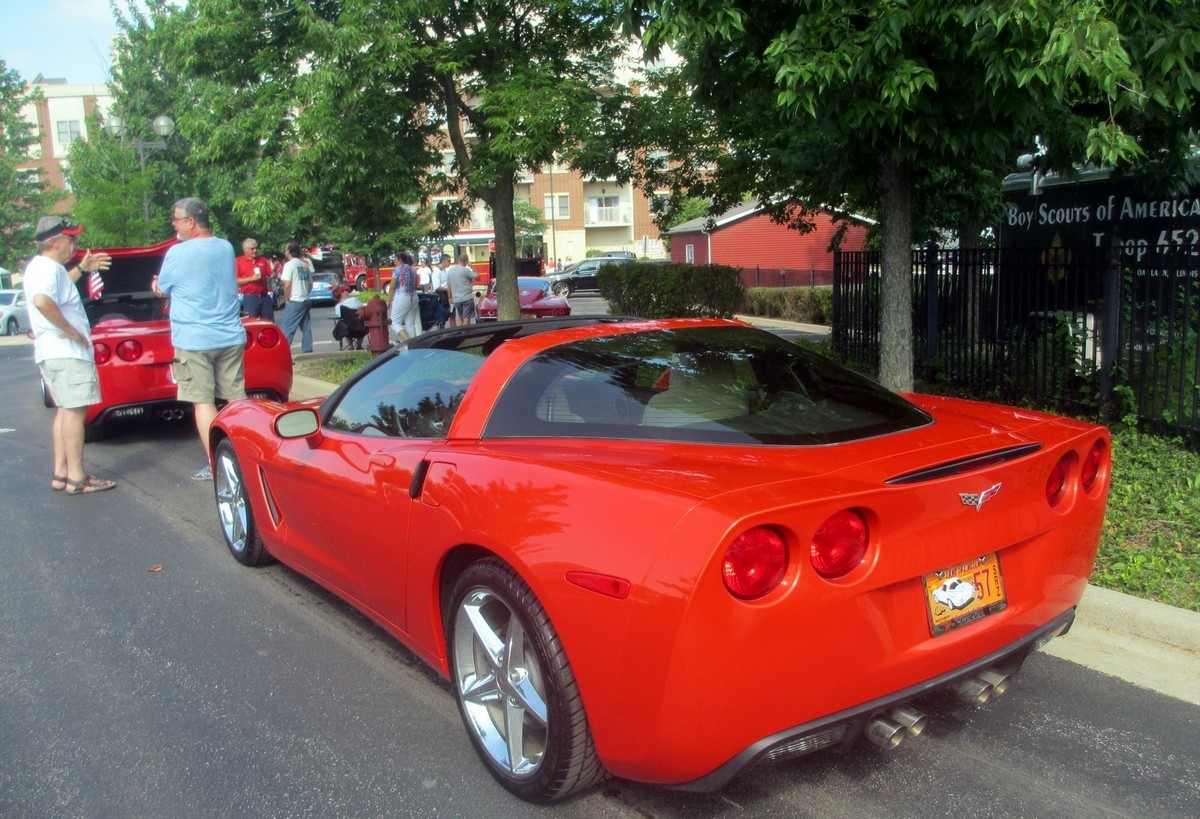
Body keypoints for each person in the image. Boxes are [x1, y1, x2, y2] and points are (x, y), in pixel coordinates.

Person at [152, 197, 246, 481]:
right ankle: (244, 458)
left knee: (203, 402)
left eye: (177, 220)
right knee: (236, 400)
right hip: (230, 335)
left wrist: (155, 285)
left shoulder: (177, 253)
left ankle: (216, 464)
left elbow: (163, 288)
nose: (174, 225)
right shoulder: (225, 247)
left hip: (194, 340)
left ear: (191, 221)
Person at [24, 216, 117, 495]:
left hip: (52, 352)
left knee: (65, 411)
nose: (75, 243)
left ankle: (61, 473)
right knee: (75, 413)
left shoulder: (41, 268)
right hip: (66, 352)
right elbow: (43, 301)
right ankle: (77, 477)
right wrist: (72, 331)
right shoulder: (49, 268)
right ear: (54, 242)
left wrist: (82, 269)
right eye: (70, 238)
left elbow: (58, 290)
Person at [279, 241, 314, 353]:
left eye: (285, 249)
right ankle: (307, 349)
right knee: (306, 327)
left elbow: (287, 284)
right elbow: (310, 285)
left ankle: (282, 351)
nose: (284, 252)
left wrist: (286, 299)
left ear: (289, 251)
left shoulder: (289, 265)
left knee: (288, 327)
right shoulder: (304, 265)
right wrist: (305, 293)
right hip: (305, 299)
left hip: (295, 299)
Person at [235, 237, 274, 320]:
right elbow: (235, 281)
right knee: (252, 323)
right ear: (245, 249)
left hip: (264, 297)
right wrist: (251, 278)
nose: (255, 250)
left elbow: (271, 275)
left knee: (268, 323)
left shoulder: (262, 260)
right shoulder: (238, 262)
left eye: (256, 248)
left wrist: (275, 270)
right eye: (252, 249)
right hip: (250, 298)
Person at [388, 251, 420, 341]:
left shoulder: (397, 270)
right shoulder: (413, 270)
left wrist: (389, 300)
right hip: (414, 298)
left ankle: (408, 341)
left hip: (402, 298)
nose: (394, 262)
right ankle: (413, 345)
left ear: (400, 259)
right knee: (410, 324)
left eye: (395, 260)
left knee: (394, 323)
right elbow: (415, 285)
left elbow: (392, 286)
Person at [447, 253, 480, 326]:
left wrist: (450, 297)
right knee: (466, 318)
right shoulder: (465, 270)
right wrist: (472, 267)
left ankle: (462, 331)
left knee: (461, 318)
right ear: (466, 261)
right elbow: (478, 277)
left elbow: (449, 285)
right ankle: (464, 331)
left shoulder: (450, 271)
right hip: (466, 298)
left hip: (456, 299)